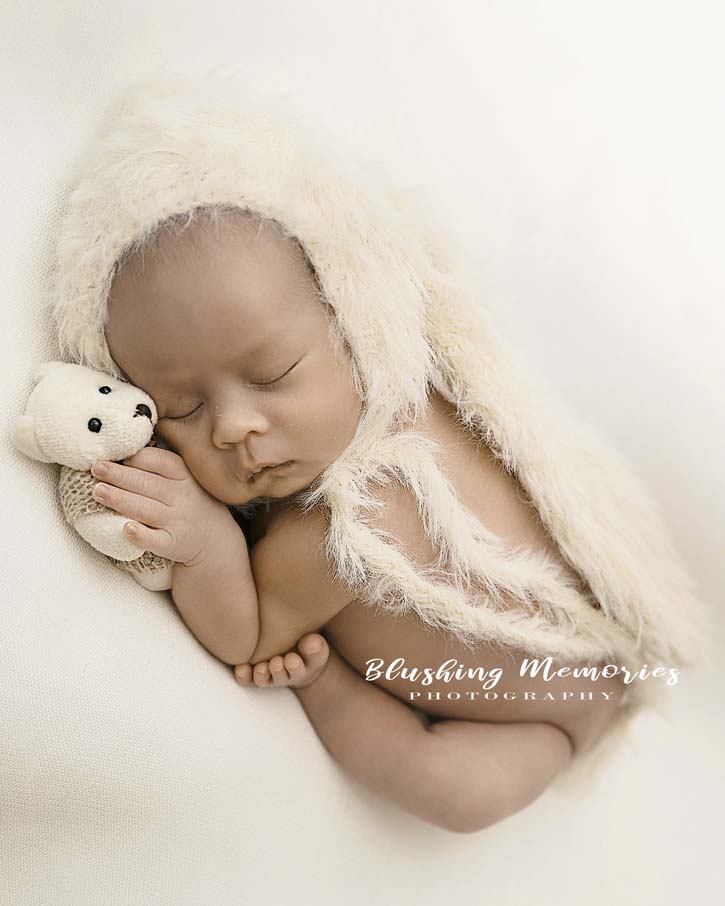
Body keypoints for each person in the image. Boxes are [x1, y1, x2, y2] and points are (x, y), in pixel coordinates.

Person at [52, 72, 709, 834]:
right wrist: (202, 541)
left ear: (355, 324)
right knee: (456, 793)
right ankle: (333, 691)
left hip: (611, 653)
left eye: (272, 375)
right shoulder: (313, 544)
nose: (232, 427)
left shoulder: (427, 401)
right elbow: (253, 632)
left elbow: (250, 635)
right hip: (530, 734)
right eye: (183, 411)